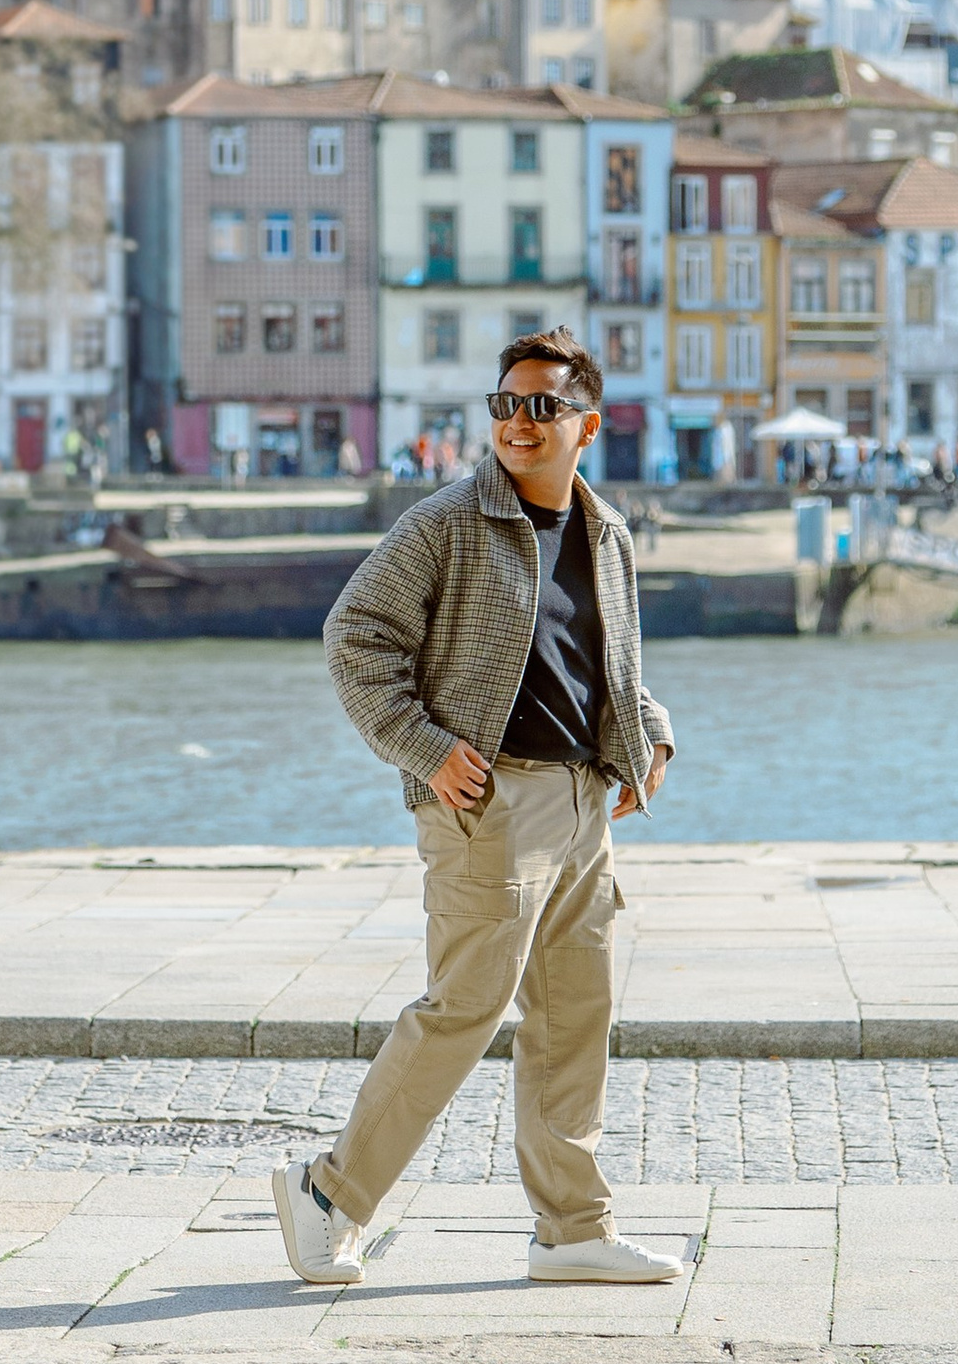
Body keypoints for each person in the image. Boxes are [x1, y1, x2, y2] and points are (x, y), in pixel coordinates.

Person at [273, 326, 679, 1291]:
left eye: (541, 406)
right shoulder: (446, 524)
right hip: (489, 803)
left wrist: (651, 732)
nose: (519, 423)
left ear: (588, 422)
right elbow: (354, 638)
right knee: (465, 1008)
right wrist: (422, 746)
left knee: (576, 1016)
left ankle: (572, 1228)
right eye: (505, 405)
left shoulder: (607, 531)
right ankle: (328, 1194)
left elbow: (608, 660)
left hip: (585, 802)